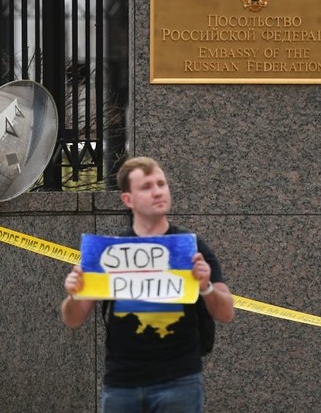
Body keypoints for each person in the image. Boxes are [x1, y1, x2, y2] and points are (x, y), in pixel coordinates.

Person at [61, 156, 234, 413]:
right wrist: (74, 294)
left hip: (180, 380)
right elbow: (73, 319)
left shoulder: (192, 247)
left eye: (161, 184)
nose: (157, 192)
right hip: (122, 383)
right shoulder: (109, 251)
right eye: (146, 187)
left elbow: (226, 312)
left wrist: (206, 287)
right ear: (127, 200)